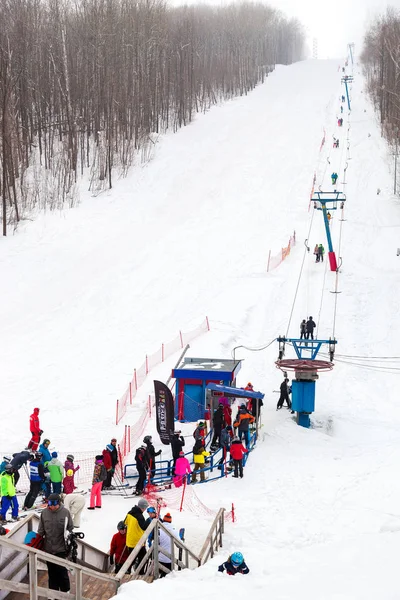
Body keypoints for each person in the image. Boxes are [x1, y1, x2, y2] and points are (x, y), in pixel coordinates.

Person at [37, 493, 73, 593]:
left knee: (62, 572)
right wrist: (37, 541)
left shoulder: (65, 512)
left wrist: (69, 537)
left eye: (54, 504)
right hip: (48, 549)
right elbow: (41, 530)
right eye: (49, 504)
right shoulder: (44, 513)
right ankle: (53, 593)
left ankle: (66, 592)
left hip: (61, 549)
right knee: (52, 573)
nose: (52, 506)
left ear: (59, 503)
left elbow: (70, 527)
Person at [124, 498, 149, 574]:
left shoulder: (129, 513)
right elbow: (144, 527)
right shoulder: (140, 517)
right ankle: (140, 572)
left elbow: (125, 522)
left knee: (131, 558)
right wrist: (149, 520)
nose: (145, 509)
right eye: (145, 508)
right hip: (138, 542)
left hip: (130, 541)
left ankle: (127, 571)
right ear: (143, 507)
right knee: (144, 557)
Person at [158, 513, 180, 577]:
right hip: (169, 559)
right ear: (171, 521)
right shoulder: (174, 531)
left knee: (158, 576)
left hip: (159, 558)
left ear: (163, 521)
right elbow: (179, 545)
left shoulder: (159, 530)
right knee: (168, 576)